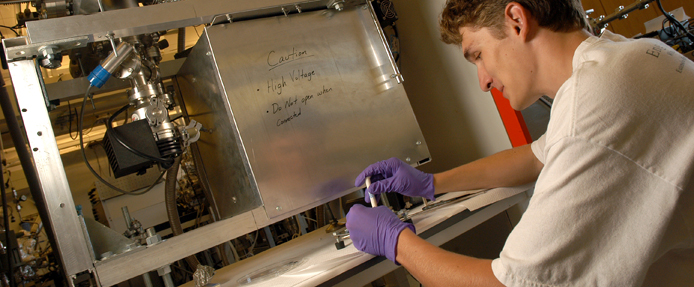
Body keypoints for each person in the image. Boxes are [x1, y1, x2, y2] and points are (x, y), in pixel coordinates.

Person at [345, 0, 694, 286]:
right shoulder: (621, 57)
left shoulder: (595, 103)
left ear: (516, 21)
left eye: (478, 54)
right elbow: (535, 157)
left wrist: (396, 243)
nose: (482, 81)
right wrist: (432, 183)